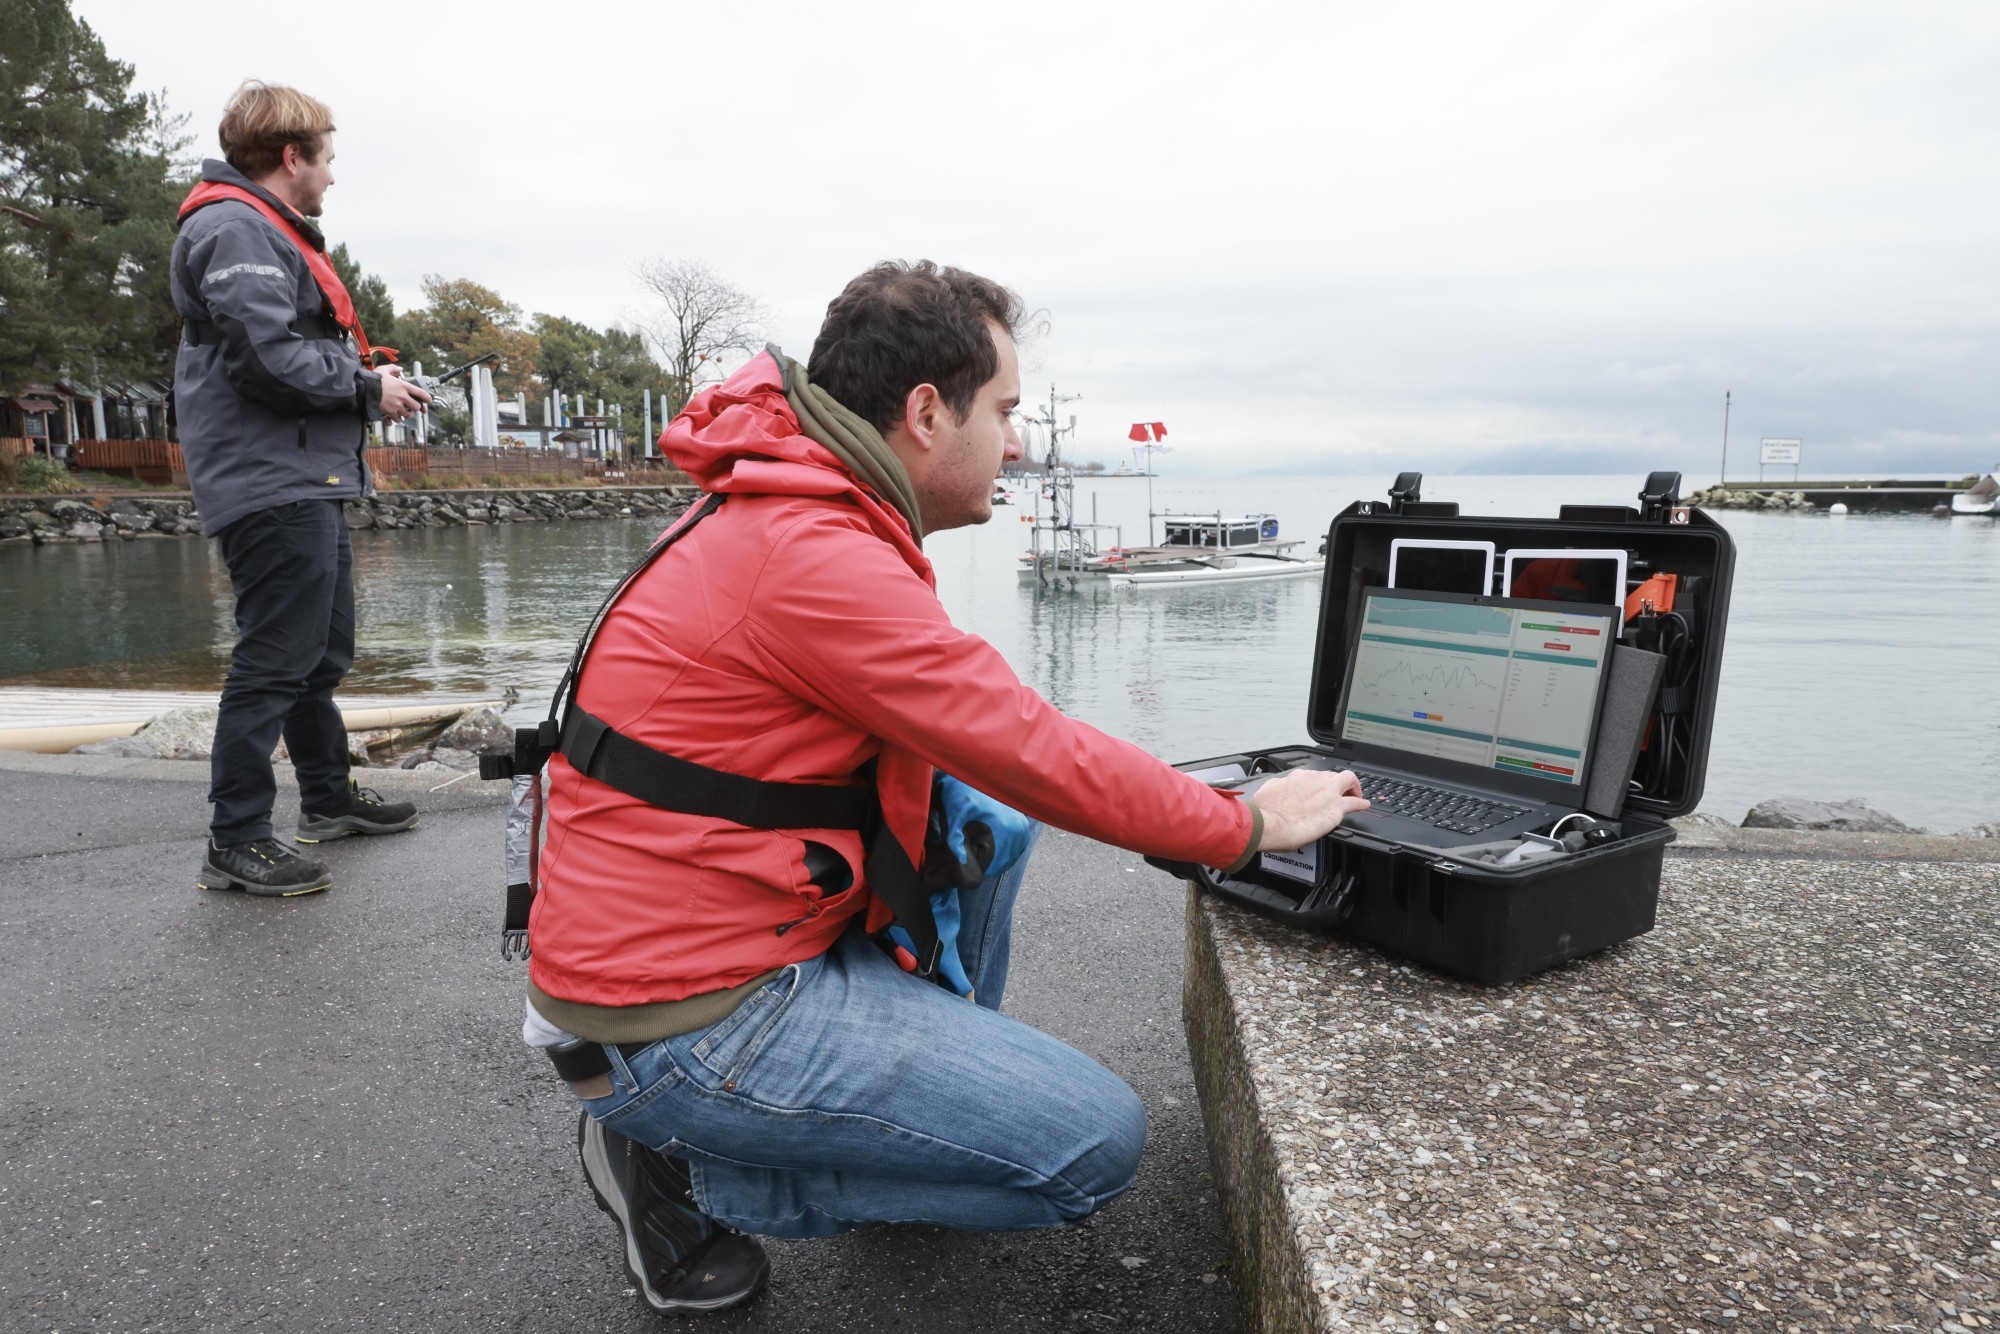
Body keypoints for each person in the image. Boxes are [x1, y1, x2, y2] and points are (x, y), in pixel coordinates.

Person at [523, 261, 1370, 1314]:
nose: (1016, 442)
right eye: (1006, 411)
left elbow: (981, 737)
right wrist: (1240, 824)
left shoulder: (792, 503)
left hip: (711, 920)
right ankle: (683, 1172)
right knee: (1088, 1145)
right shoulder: (810, 552)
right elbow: (1028, 739)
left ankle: (903, 1112)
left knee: (986, 817)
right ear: (926, 412)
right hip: (687, 1016)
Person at [170, 82, 430, 897]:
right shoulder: (234, 227)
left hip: (301, 476)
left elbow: (281, 348)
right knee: (274, 659)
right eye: (327, 160)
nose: (331, 177)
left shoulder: (257, 227)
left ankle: (326, 799)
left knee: (320, 653)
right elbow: (265, 356)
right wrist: (365, 392)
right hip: (268, 480)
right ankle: (236, 838)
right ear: (293, 157)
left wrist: (363, 375)